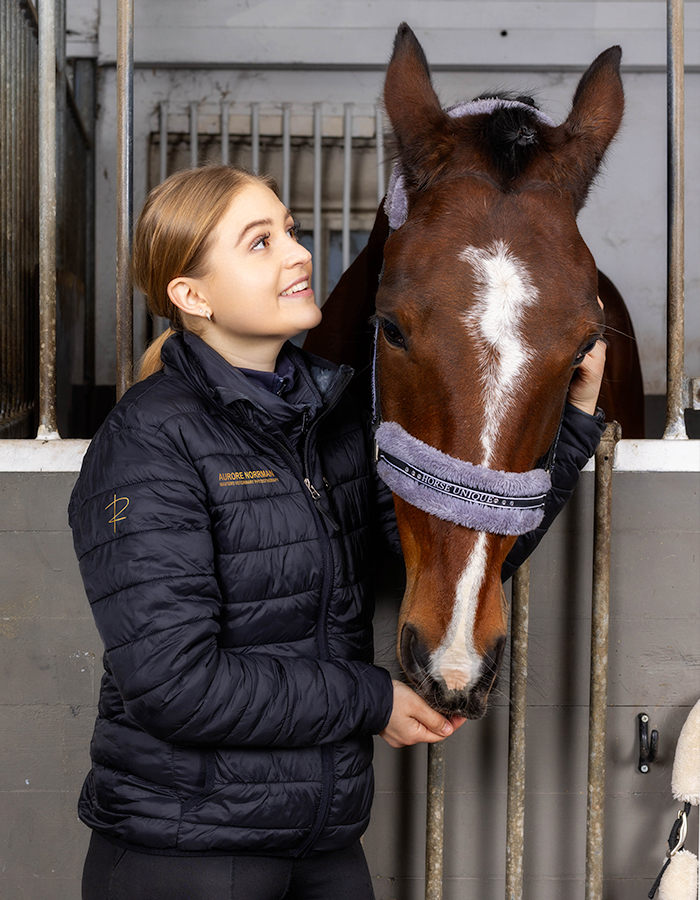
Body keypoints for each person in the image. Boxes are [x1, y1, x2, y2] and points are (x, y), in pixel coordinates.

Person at [69, 165, 606, 900]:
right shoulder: (149, 441)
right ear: (191, 296)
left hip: (322, 844)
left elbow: (449, 557)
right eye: (260, 243)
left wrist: (571, 429)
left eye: (289, 230)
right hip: (184, 850)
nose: (297, 254)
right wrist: (373, 700)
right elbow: (174, 684)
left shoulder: (335, 424)